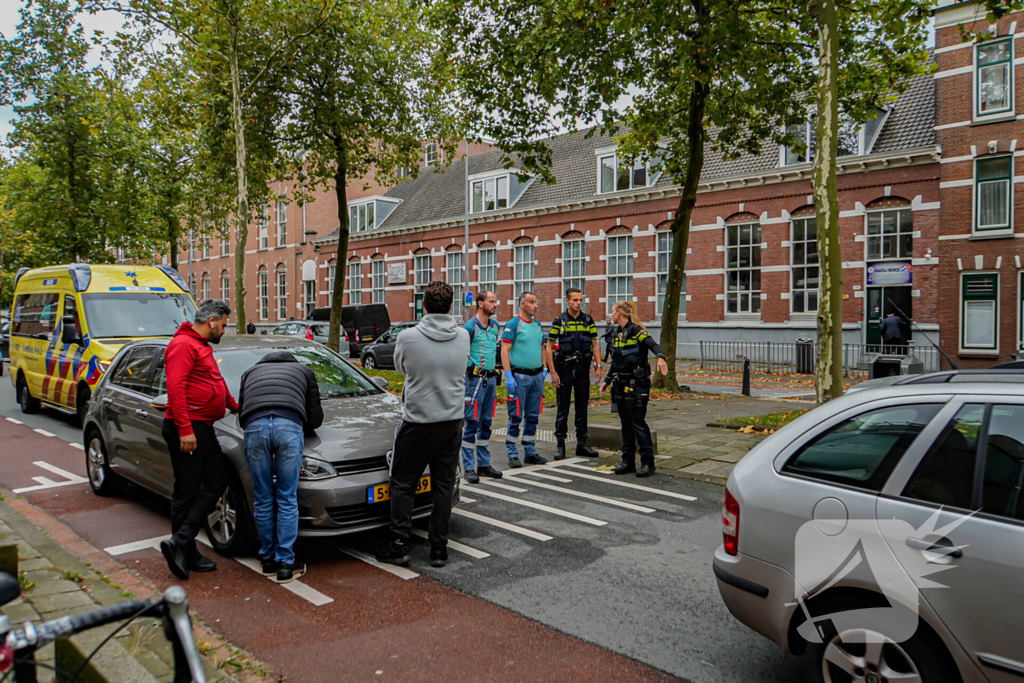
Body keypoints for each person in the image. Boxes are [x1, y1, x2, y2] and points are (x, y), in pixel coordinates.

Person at [377, 281, 469, 568]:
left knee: (403, 483)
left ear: (424, 306)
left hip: (418, 421)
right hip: (452, 420)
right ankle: (439, 549)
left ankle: (399, 544)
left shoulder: (408, 336)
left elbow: (400, 368)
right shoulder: (464, 336)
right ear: (451, 307)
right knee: (443, 485)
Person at [160, 299, 237, 580]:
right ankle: (182, 547)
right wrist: (185, 430)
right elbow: (175, 388)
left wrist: (236, 406)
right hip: (189, 427)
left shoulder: (201, 346)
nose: (224, 331)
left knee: (213, 482)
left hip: (200, 426)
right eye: (224, 325)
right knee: (189, 489)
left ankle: (181, 543)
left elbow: (216, 384)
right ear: (212, 321)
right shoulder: (182, 345)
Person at [238, 350, 324, 584]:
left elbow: (241, 414)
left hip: (255, 428)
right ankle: (286, 562)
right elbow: (315, 417)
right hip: (288, 427)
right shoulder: (304, 371)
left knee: (263, 497)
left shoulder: (249, 372)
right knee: (286, 496)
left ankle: (267, 559)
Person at [600, 301, 669, 478]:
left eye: (613, 311)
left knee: (638, 422)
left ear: (620, 313)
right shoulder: (617, 332)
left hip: (637, 384)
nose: (611, 314)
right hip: (621, 384)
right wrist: (607, 380)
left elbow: (653, 345)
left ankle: (648, 462)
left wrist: (660, 358)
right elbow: (616, 360)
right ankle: (627, 461)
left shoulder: (637, 330)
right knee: (625, 424)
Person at [546, 288, 601, 460]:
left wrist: (598, 366)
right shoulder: (559, 320)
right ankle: (560, 444)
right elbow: (548, 347)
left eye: (581, 300)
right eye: (575, 300)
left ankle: (582, 444)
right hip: (564, 368)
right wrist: (553, 372)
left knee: (582, 407)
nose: (579, 303)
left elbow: (595, 345)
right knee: (563, 407)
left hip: (583, 369)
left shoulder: (587, 320)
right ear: (567, 301)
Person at [462, 290, 504, 484]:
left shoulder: (495, 326)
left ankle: (484, 464)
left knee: (486, 423)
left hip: (491, 380)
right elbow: (462, 355)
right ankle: (469, 467)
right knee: (472, 423)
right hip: (474, 382)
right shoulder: (470, 327)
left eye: (496, 301)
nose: (495, 305)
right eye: (492, 301)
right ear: (480, 304)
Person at [501, 291, 547, 468]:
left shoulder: (536, 325)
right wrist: (508, 374)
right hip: (519, 376)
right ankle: (512, 453)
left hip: (536, 377)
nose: (535, 305)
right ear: (522, 304)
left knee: (533, 416)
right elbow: (505, 350)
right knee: (515, 415)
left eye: (536, 302)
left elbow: (542, 347)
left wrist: (544, 369)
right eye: (531, 302)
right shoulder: (513, 325)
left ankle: (530, 451)